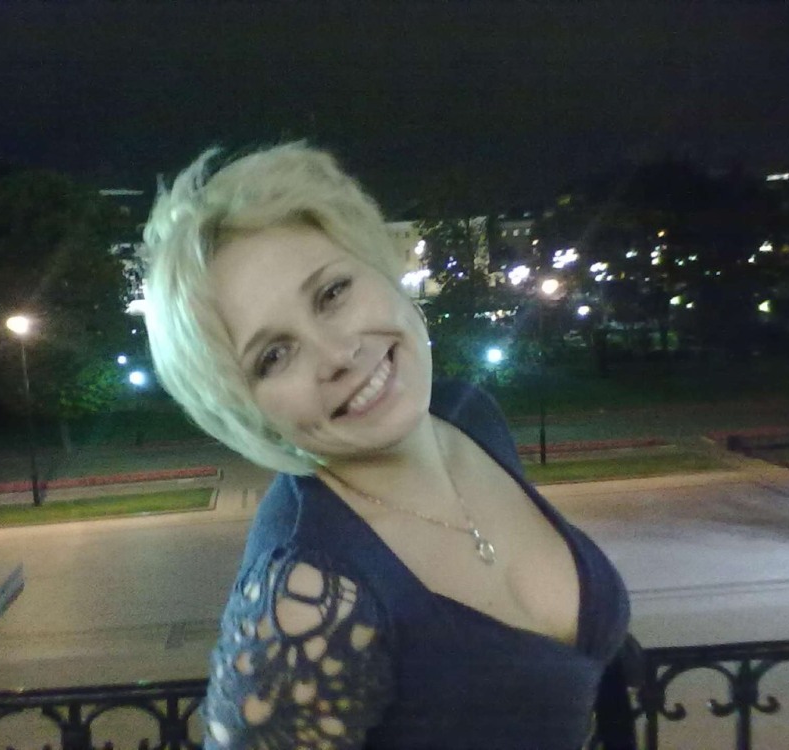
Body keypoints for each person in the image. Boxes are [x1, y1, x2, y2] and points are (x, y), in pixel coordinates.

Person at [139, 143, 631, 749]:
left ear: (380, 268)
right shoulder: (306, 595)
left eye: (332, 293)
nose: (338, 354)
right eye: (274, 355)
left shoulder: (467, 415)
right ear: (245, 408)